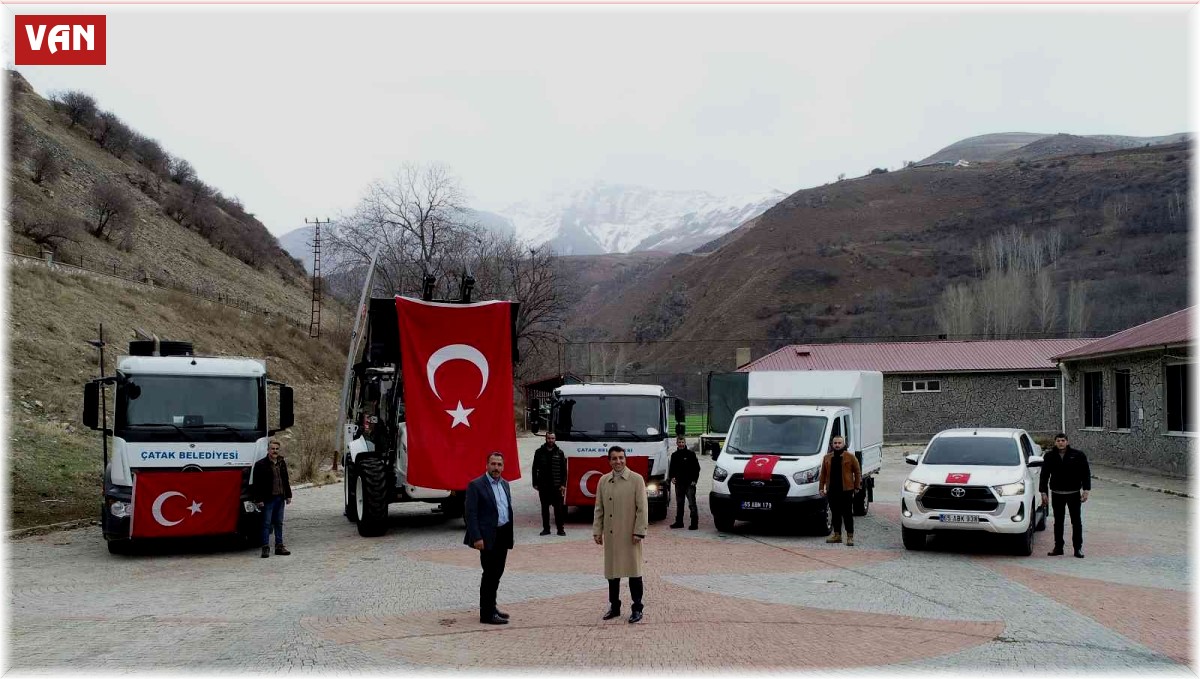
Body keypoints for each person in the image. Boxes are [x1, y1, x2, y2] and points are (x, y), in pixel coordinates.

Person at [593, 445, 649, 623]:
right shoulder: (603, 481)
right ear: (609, 461)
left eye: (621, 457)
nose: (618, 461)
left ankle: (637, 608)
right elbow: (598, 508)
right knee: (612, 573)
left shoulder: (636, 480)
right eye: (615, 458)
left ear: (626, 459)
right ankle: (614, 606)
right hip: (611, 536)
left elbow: (642, 509)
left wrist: (639, 532)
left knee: (634, 572)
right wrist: (597, 530)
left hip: (630, 535)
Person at [464, 452, 515, 624]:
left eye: (499, 465)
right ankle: (486, 614)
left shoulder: (505, 484)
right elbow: (470, 514)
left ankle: (492, 607)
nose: (496, 468)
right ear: (487, 465)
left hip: (503, 534)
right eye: (493, 464)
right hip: (486, 538)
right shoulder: (476, 485)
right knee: (489, 574)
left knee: (497, 573)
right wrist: (476, 537)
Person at [1040, 433, 1091, 558]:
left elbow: (1085, 473)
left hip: (1073, 493)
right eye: (1058, 440)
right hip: (1057, 494)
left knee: (1076, 521)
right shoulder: (1049, 456)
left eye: (1063, 440)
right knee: (1058, 522)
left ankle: (1077, 548)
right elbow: (1044, 475)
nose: (1061, 443)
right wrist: (1043, 492)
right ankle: (1058, 547)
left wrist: (1086, 490)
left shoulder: (1078, 455)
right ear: (1055, 442)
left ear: (1067, 442)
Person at [251, 439, 292, 558]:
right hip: (268, 499)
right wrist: (258, 499)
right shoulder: (260, 464)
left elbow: (286, 479)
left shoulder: (281, 462)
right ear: (268, 450)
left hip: (280, 497)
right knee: (266, 524)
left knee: (279, 523)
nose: (275, 451)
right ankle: (265, 547)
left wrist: (288, 495)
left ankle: (279, 546)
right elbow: (256, 484)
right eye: (272, 449)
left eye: (277, 449)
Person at [819, 436, 861, 546]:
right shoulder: (827, 458)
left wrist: (857, 486)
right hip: (832, 490)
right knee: (835, 513)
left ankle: (850, 536)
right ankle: (837, 535)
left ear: (843, 444)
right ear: (832, 444)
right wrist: (821, 488)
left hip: (846, 490)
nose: (837, 445)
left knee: (847, 513)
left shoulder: (850, 457)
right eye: (835, 443)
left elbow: (857, 472)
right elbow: (823, 474)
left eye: (839, 443)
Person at [531, 432, 568, 536]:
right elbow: (534, 468)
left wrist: (563, 484)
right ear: (545, 439)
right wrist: (535, 483)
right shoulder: (539, 452)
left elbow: (564, 471)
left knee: (559, 510)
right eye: (549, 438)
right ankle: (546, 529)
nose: (550, 440)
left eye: (552, 438)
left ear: (555, 439)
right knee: (544, 509)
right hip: (543, 486)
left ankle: (560, 529)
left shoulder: (560, 453)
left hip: (556, 486)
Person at [667, 436, 700, 530]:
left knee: (692, 504)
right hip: (679, 484)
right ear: (677, 443)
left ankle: (694, 523)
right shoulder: (674, 455)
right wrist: (672, 477)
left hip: (690, 484)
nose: (681, 444)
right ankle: (679, 522)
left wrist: (694, 480)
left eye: (682, 442)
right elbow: (671, 469)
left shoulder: (691, 454)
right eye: (679, 442)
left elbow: (697, 468)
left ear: (685, 443)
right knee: (680, 504)